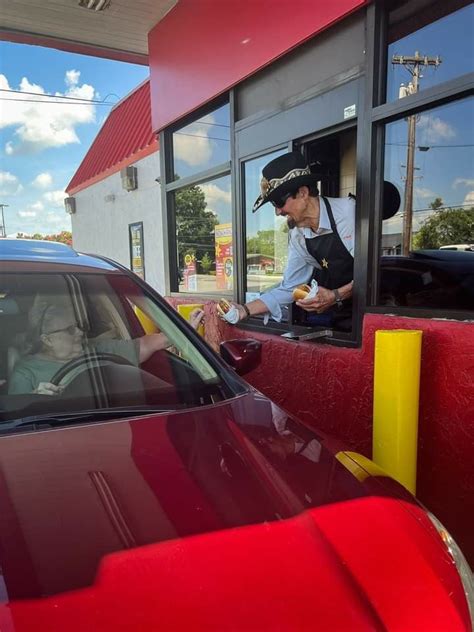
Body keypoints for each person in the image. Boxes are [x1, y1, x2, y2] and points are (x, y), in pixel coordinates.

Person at [221, 151, 399, 329]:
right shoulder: (299, 236)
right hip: (343, 317)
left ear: (303, 193)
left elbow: (368, 275)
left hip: (379, 312)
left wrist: (335, 295)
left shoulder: (349, 215)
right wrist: (244, 310)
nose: (278, 212)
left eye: (278, 202)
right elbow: (291, 286)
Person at [9, 303, 204, 395]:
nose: (79, 333)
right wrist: (35, 398)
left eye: (78, 325)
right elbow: (18, 420)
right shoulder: (25, 373)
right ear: (47, 340)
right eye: (70, 329)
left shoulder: (97, 347)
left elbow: (145, 345)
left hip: (122, 419)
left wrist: (185, 328)